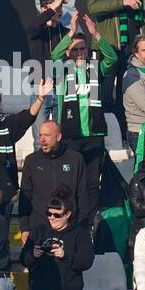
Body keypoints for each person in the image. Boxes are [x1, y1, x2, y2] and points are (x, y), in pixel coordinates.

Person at [51, 15, 118, 220]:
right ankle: (71, 218)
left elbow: (112, 58)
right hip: (71, 136)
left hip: (94, 134)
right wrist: (70, 32)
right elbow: (54, 55)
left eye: (83, 49)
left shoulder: (96, 68)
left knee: (91, 183)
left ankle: (90, 222)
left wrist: (96, 34)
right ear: (69, 53)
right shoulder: (61, 70)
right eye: (75, 49)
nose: (80, 53)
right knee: (69, 181)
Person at [87, 0, 145, 133]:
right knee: (104, 96)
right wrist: (122, 2)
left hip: (133, 50)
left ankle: (124, 135)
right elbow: (93, 7)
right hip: (108, 49)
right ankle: (104, 137)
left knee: (128, 97)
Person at [19, 121, 90, 237]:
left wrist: (83, 225)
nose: (42, 140)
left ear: (58, 137)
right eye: (40, 135)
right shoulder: (32, 161)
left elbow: (83, 195)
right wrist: (24, 228)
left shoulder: (75, 159)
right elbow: (25, 196)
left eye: (46, 135)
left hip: (69, 227)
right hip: (39, 227)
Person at [22, 192, 94, 290]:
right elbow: (23, 259)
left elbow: (86, 262)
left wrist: (65, 255)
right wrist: (33, 255)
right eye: (49, 214)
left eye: (57, 215)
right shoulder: (38, 230)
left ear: (68, 214)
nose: (52, 218)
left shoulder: (80, 233)